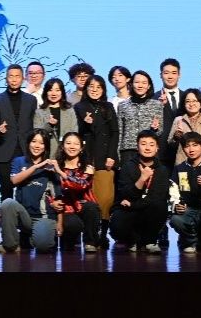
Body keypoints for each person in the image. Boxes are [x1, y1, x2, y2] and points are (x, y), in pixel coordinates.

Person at [0, 129, 61, 253]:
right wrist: (36, 167)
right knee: (7, 203)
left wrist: (60, 222)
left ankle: (29, 238)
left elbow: (59, 197)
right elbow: (14, 180)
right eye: (34, 141)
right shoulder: (19, 161)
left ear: (46, 146)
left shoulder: (51, 165)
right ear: (28, 143)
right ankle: (10, 245)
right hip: (24, 215)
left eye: (41, 143)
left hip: (43, 216)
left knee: (43, 246)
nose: (37, 145)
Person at [74, 75, 118, 245]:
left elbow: (114, 132)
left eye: (98, 87)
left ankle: (102, 234)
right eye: (91, 86)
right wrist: (85, 123)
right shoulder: (79, 107)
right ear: (86, 88)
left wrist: (111, 155)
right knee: (88, 200)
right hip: (86, 159)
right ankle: (89, 236)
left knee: (105, 199)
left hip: (105, 159)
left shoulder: (108, 107)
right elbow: (76, 134)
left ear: (103, 90)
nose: (94, 89)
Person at [110, 130, 170, 254]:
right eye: (143, 144)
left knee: (160, 206)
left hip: (145, 209)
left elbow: (157, 198)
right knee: (118, 222)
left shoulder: (162, 170)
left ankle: (150, 241)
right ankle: (132, 240)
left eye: (151, 144)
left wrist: (133, 204)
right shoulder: (127, 166)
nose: (147, 148)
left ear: (157, 148)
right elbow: (125, 195)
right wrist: (142, 179)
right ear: (137, 147)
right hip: (129, 212)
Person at [0, 64, 37, 201]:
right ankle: (6, 215)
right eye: (11, 76)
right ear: (6, 79)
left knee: (26, 189)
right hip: (4, 151)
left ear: (23, 79)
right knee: (6, 189)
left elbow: (34, 124)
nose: (14, 79)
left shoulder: (31, 100)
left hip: (25, 150)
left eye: (17, 76)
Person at [51, 133, 102, 252]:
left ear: (81, 148)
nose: (72, 146)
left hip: (85, 205)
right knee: (72, 225)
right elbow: (50, 189)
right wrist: (53, 202)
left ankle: (90, 243)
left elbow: (81, 184)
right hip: (66, 208)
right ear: (62, 146)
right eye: (68, 143)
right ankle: (70, 242)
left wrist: (61, 173)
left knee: (91, 208)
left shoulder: (88, 167)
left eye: (76, 144)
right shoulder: (55, 166)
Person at [116, 71, 163, 163]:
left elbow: (160, 131)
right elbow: (120, 132)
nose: (140, 86)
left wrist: (155, 129)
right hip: (128, 151)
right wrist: (117, 154)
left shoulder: (157, 105)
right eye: (137, 82)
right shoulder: (122, 105)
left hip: (148, 150)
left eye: (144, 83)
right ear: (131, 84)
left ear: (149, 86)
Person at [33, 78, 79, 160]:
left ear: (62, 92)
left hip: (66, 155)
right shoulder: (39, 112)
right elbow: (37, 135)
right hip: (46, 155)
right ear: (46, 92)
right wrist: (49, 125)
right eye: (50, 90)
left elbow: (74, 132)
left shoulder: (70, 111)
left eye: (57, 90)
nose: (53, 93)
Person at [172, 89, 201, 166]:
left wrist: (197, 157)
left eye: (195, 101)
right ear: (184, 104)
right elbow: (170, 143)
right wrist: (177, 136)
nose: (191, 104)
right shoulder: (178, 120)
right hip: (183, 163)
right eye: (188, 101)